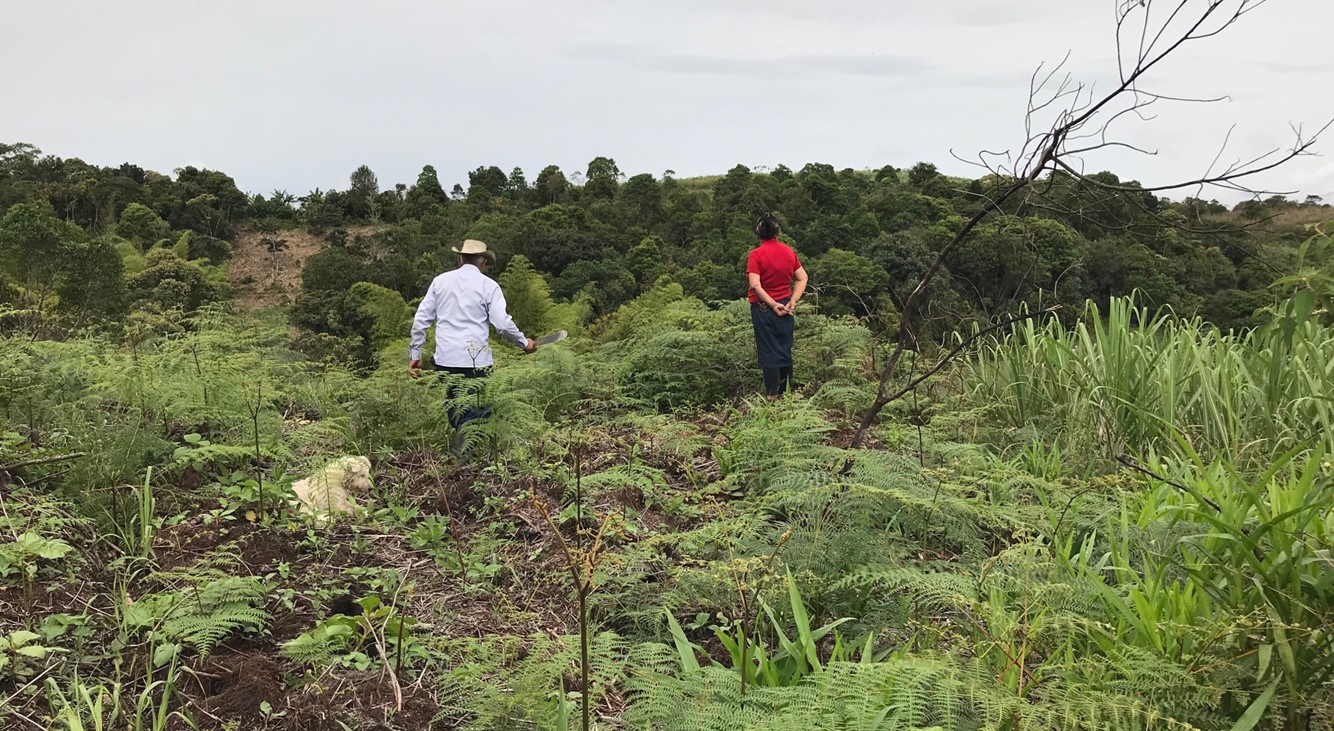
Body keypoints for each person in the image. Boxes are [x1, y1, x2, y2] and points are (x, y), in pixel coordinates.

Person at [408, 239, 536, 451]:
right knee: (475, 412)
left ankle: (463, 458)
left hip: (446, 359)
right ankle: (464, 462)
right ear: (483, 263)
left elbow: (421, 320)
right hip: (476, 362)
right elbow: (502, 324)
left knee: (456, 406)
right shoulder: (489, 286)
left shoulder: (440, 282)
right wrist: (524, 342)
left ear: (459, 259)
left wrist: (415, 353)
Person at [746, 213, 808, 397]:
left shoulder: (756, 255)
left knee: (768, 351)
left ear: (758, 233)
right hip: (786, 306)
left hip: (764, 308)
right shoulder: (788, 252)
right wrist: (793, 300)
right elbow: (802, 277)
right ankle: (786, 394)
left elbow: (755, 285)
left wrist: (772, 304)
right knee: (784, 347)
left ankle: (772, 396)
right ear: (778, 231)